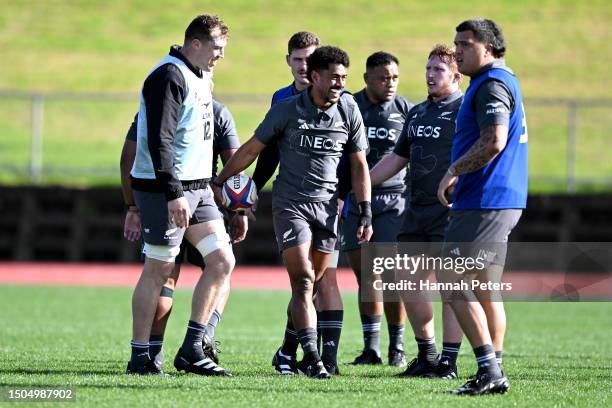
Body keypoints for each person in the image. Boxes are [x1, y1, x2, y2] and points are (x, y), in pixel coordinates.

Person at [214, 46, 372, 379]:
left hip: (328, 208)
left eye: (344, 77)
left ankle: (287, 350)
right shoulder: (286, 110)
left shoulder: (349, 110)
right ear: (315, 77)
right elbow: (251, 150)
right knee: (301, 281)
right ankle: (312, 358)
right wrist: (221, 179)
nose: (339, 83)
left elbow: (359, 164)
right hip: (291, 206)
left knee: (312, 284)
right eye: (333, 77)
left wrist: (365, 210)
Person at [126, 14, 234, 376]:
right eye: (216, 47)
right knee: (159, 269)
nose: (220, 55)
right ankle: (140, 356)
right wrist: (172, 193)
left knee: (222, 260)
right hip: (165, 190)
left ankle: (192, 347)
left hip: (199, 187)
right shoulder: (168, 75)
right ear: (196, 43)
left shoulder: (201, 74)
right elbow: (161, 139)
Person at [436, 19, 528, 395]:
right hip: (495, 199)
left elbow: (494, 141)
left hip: (484, 201)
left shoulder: (491, 85)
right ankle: (492, 368)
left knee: (451, 279)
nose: (457, 50)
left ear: (488, 48)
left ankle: (490, 370)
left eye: (466, 44)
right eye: (456, 43)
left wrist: (454, 169)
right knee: (483, 285)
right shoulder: (500, 80)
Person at [120, 98, 246, 370]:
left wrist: (132, 207)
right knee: (163, 272)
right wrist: (239, 209)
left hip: (198, 199)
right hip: (170, 197)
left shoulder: (205, 110)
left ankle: (186, 344)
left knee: (217, 264)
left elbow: (126, 159)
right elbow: (235, 167)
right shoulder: (216, 110)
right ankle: (147, 354)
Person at [251, 32, 344, 376]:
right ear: (288, 61)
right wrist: (253, 189)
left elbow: (348, 157)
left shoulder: (341, 98)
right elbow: (268, 149)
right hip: (293, 202)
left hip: (331, 202)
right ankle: (306, 355)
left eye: (311, 59)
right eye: (298, 59)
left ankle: (303, 353)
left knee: (323, 280)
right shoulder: (281, 99)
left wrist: (348, 198)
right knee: (305, 281)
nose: (305, 66)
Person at [369, 44, 465, 378]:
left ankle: (450, 362)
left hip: (451, 211)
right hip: (416, 210)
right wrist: (362, 184)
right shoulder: (418, 112)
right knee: (407, 282)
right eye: (427, 68)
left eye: (437, 69)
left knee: (451, 288)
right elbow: (397, 158)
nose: (429, 74)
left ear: (455, 74)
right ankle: (427, 355)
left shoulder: (465, 109)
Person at [338, 51, 412, 367]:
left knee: (393, 277)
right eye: (383, 78)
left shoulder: (406, 110)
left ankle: (397, 347)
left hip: (394, 201)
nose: (390, 83)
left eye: (394, 77)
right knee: (367, 276)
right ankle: (372, 348)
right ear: (367, 78)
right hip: (355, 201)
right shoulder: (349, 105)